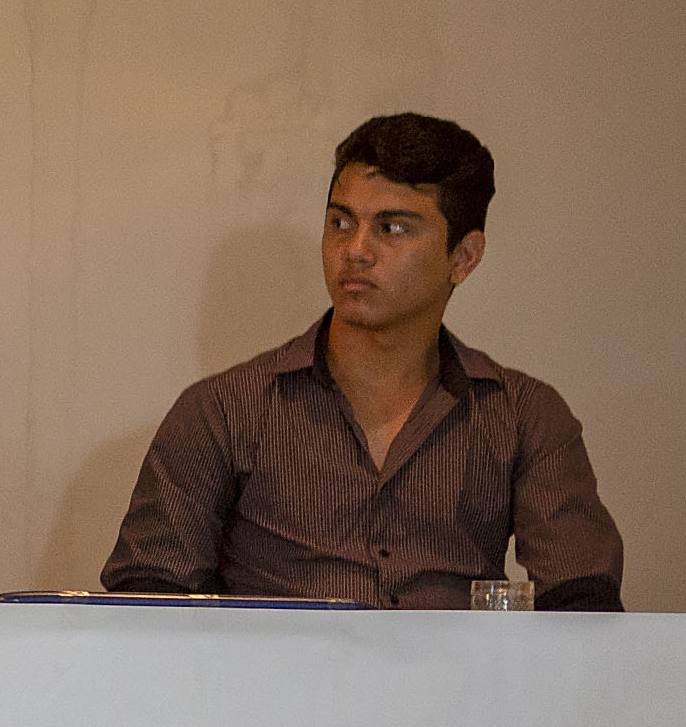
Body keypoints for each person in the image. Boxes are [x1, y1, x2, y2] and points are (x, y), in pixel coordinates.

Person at [102, 113, 619, 609]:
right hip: (274, 672)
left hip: (456, 672)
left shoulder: (523, 414)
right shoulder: (223, 409)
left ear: (463, 257)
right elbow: (142, 607)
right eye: (340, 222)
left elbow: (584, 608)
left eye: (392, 228)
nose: (355, 250)